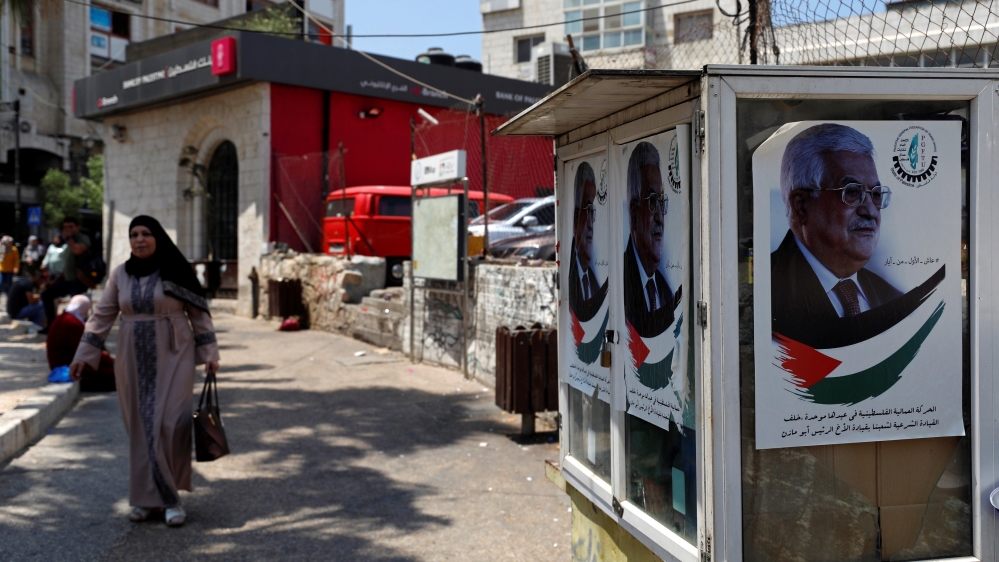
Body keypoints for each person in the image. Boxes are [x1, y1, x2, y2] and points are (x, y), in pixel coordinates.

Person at [70, 215, 220, 528]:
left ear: (158, 238)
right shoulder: (120, 274)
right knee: (140, 426)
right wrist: (84, 354)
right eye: (134, 234)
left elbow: (199, 315)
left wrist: (209, 352)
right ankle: (145, 498)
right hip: (132, 359)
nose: (139, 239)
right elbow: (101, 317)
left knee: (168, 423)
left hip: (175, 354)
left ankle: (170, 498)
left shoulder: (176, 270)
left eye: (146, 234)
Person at [771, 123, 900, 346]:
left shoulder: (894, 298)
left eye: (876, 194)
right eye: (851, 192)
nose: (870, 210)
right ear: (801, 206)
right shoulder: (763, 293)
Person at [623, 142, 681, 338]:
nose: (659, 217)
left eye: (661, 202)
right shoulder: (621, 278)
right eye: (652, 201)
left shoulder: (665, 292)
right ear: (633, 213)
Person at [47, 295, 115, 392]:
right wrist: (108, 359)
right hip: (67, 365)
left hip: (62, 363)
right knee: (112, 375)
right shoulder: (72, 323)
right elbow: (85, 350)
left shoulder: (62, 318)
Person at [569, 161, 608, 322]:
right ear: (576, 217)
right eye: (588, 210)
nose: (591, 222)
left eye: (593, 212)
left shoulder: (595, 283)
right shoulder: (569, 271)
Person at [41, 217, 91, 326]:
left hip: (78, 281)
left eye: (70, 227)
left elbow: (78, 250)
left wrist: (69, 239)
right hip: (68, 280)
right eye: (65, 227)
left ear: (77, 227)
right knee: (46, 295)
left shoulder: (81, 238)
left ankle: (85, 333)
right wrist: (54, 281)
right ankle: (51, 326)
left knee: (78, 308)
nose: (67, 229)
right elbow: (67, 266)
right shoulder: (69, 242)